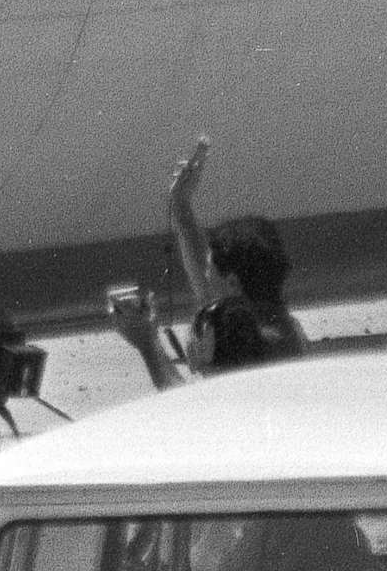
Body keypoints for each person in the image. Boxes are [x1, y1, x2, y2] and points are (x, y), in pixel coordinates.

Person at [111, 137, 308, 387]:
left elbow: (197, 414)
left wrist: (148, 344)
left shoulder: (250, 345)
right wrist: (181, 207)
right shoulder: (264, 317)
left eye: (210, 269)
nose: (203, 276)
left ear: (233, 283)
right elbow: (208, 288)